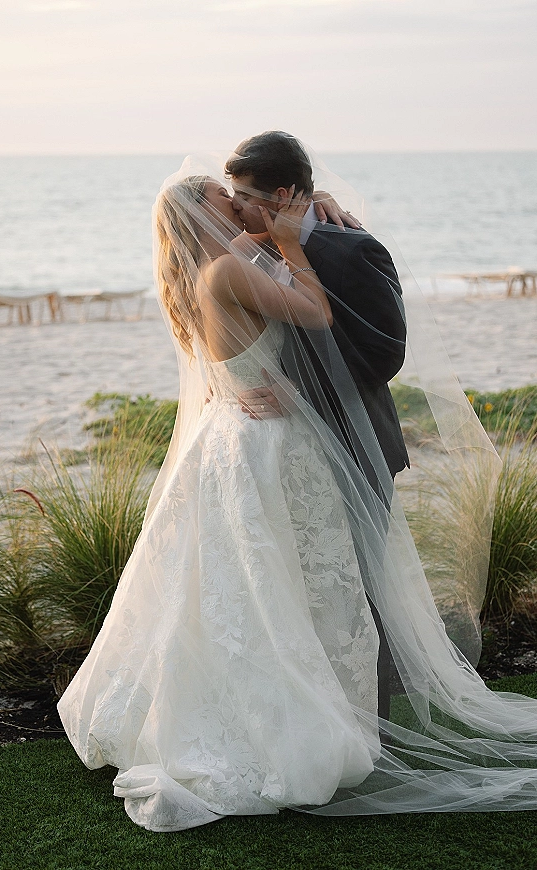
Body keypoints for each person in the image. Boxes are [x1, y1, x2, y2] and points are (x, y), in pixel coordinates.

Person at [58, 149, 537, 833]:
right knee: (275, 588)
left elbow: (265, 277)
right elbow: (313, 313)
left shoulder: (203, 267)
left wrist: (322, 214)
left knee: (236, 590)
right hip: (264, 449)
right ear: (208, 216)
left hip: (228, 440)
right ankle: (274, 733)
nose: (241, 206)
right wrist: (290, 242)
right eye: (228, 201)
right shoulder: (229, 268)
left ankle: (246, 713)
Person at [225, 131, 409, 719]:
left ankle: (375, 724)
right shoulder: (253, 243)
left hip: (355, 441)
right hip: (292, 449)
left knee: (362, 588)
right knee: (314, 591)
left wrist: (299, 393)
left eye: (243, 195)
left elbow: (386, 353)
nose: (234, 207)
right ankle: (324, 720)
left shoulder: (351, 248)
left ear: (281, 196)